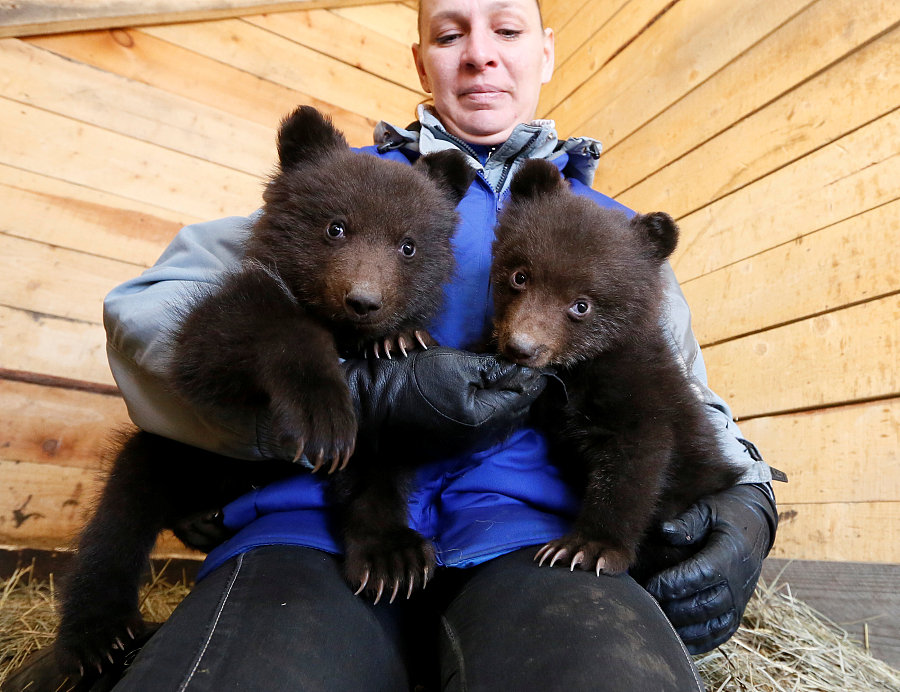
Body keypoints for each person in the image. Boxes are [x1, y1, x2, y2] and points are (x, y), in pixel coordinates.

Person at [93, 0, 780, 689]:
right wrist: (352, 391)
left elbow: (681, 395)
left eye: (505, 30)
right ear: (421, 60)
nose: (480, 53)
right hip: (312, 529)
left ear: (544, 52)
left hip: (535, 540)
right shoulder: (344, 183)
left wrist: (748, 504)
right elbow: (144, 319)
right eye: (450, 33)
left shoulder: (621, 241)